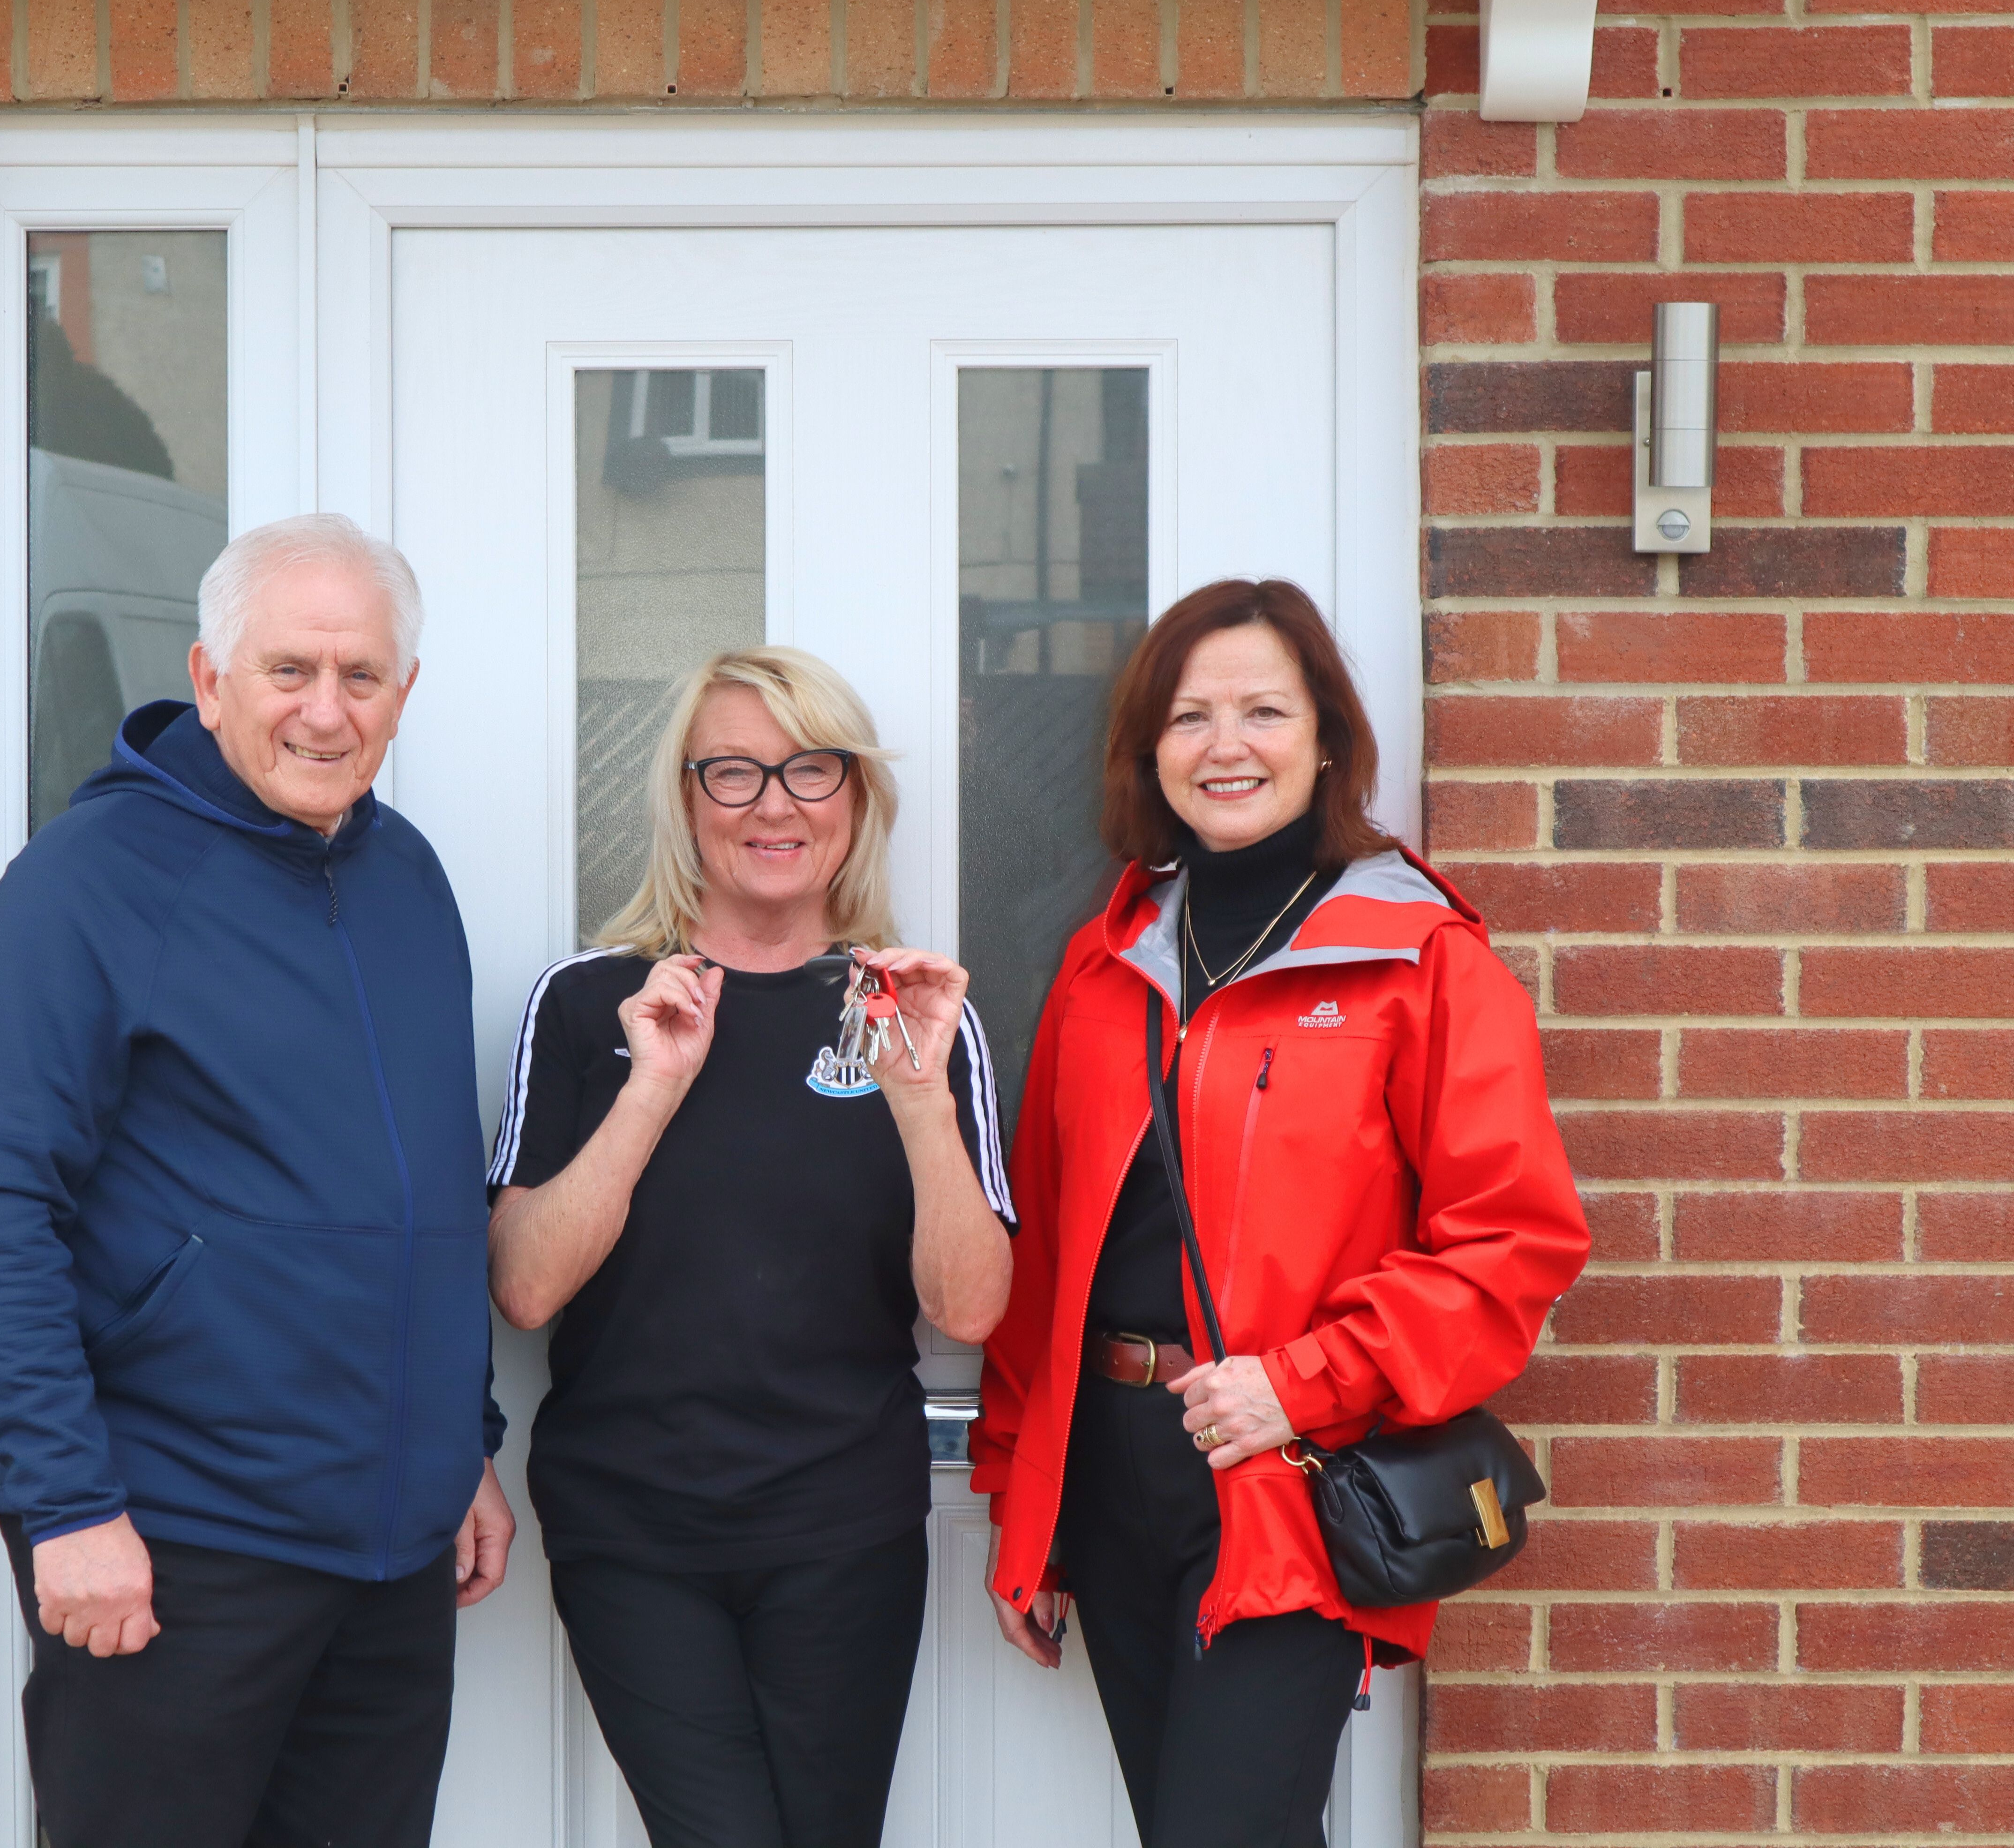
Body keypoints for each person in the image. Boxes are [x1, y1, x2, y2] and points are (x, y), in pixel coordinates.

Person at [972, 579, 1590, 1848]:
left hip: (1289, 1479)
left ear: (1326, 739)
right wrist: (1016, 1500)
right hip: (1109, 1478)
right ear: (1152, 751)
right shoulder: (1106, 963)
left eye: (1263, 708)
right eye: (1191, 716)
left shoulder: (1421, 963)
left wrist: (1303, 1384)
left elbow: (1510, 1243)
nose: (1227, 744)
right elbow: (1046, 1256)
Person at [0, 513, 514, 1848]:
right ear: (209, 678)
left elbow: (424, 1190)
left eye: (361, 677)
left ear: (404, 693)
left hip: (392, 1556)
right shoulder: (89, 884)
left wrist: (458, 1441)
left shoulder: (408, 879)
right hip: (176, 1541)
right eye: (288, 670)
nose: (326, 710)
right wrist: (68, 1503)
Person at [487, 648, 1017, 1848]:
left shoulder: (917, 1010)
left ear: (857, 799)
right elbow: (522, 1288)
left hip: (845, 1531)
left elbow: (971, 1310)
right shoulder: (591, 1004)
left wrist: (920, 1098)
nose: (775, 803)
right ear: (685, 799)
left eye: (810, 768)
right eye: (733, 771)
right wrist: (652, 1087)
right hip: (635, 1532)